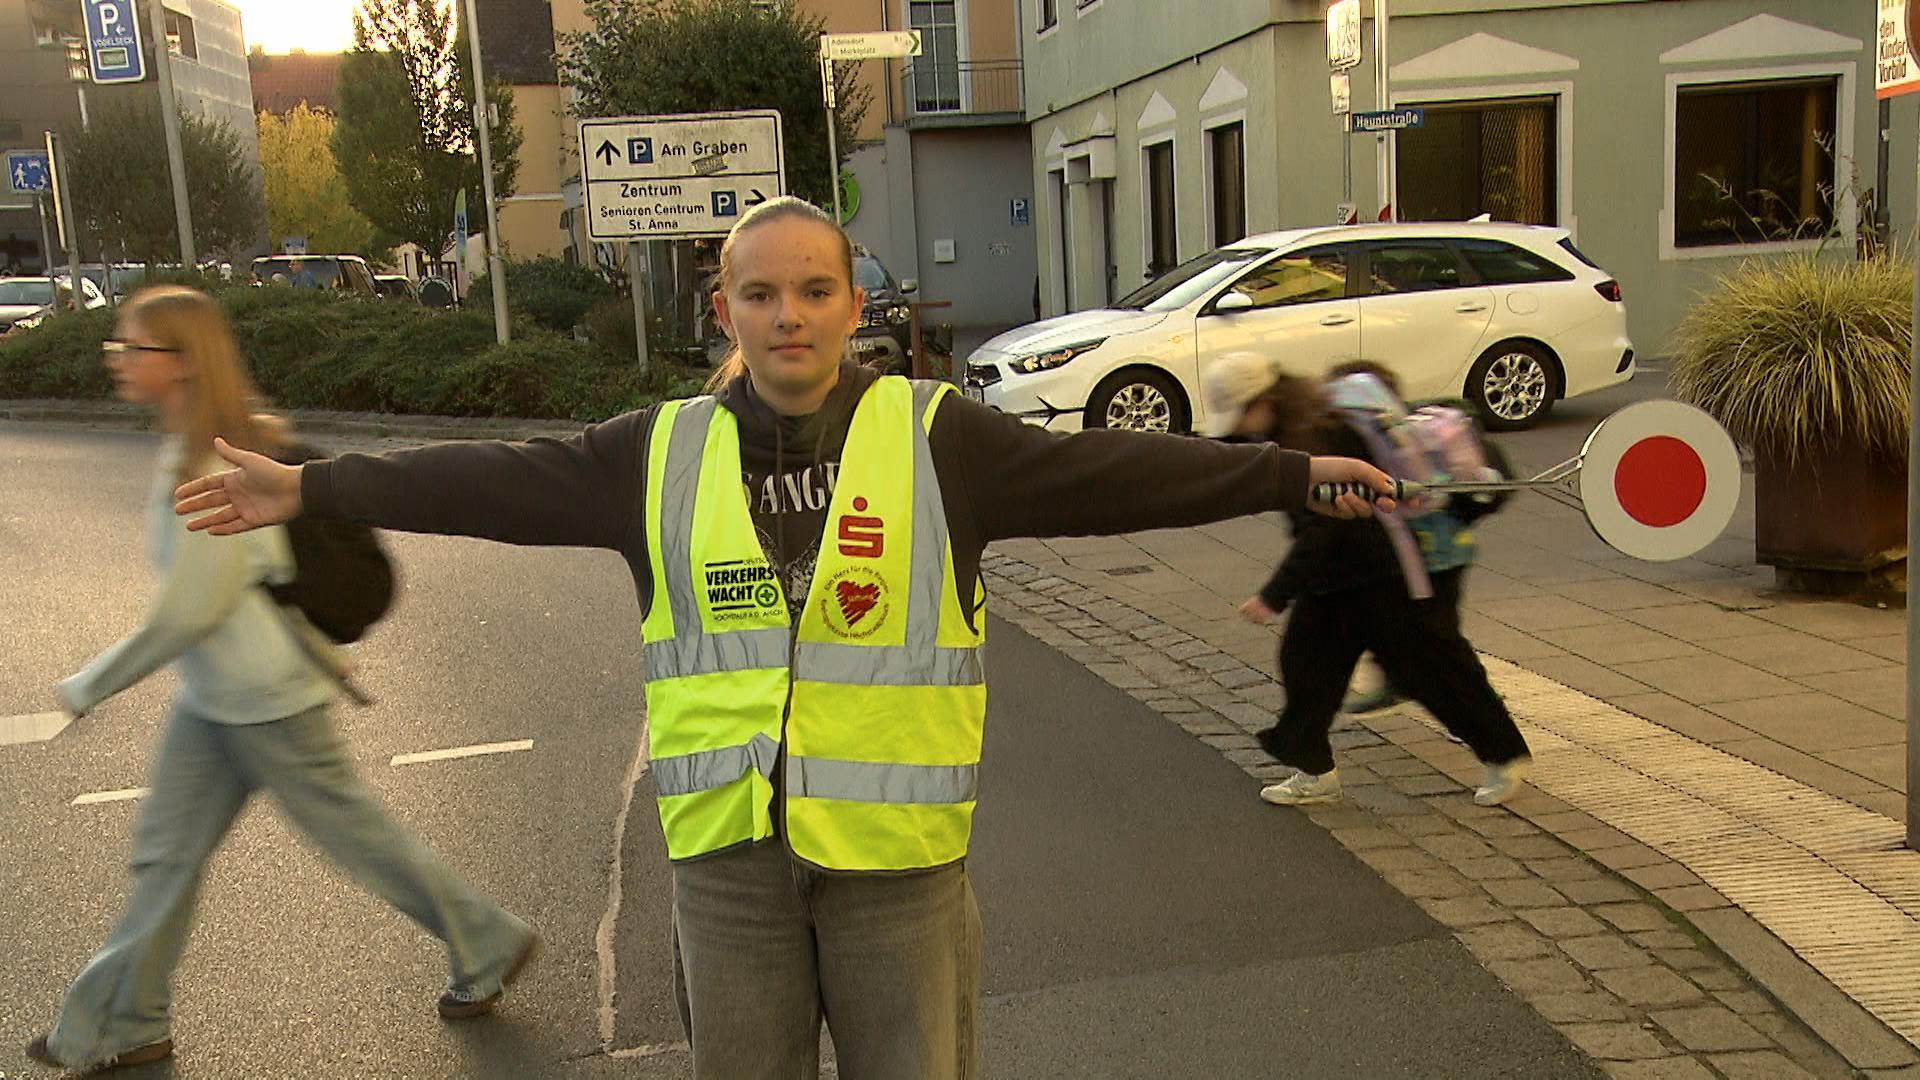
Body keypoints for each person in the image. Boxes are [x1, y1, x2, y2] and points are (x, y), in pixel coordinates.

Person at [170, 196, 1398, 1080]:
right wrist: (315, 487)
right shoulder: (653, 454)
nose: (790, 314)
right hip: (729, 869)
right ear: (726, 312)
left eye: (815, 289)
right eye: (761, 292)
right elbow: (491, 481)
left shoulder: (940, 439)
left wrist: (1289, 474)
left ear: (853, 304)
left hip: (895, 873)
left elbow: (1117, 473)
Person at [27, 286, 537, 1076]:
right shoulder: (187, 448)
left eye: (133, 350)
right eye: (117, 350)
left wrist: (86, 685)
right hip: (213, 701)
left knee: (358, 842)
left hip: (267, 703)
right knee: (163, 858)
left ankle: (487, 940)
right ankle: (123, 1020)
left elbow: (189, 612)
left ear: (185, 365)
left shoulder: (209, 461)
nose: (118, 364)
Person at [1203, 352, 1532, 810]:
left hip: (1385, 575)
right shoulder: (1297, 426)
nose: (1242, 426)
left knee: (1433, 669)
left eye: (1242, 413)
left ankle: (1504, 755)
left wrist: (1273, 596)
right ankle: (1313, 770)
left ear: (1266, 399)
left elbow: (1326, 529)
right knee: (1308, 667)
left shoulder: (1316, 438)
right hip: (1342, 577)